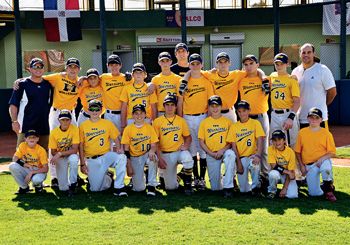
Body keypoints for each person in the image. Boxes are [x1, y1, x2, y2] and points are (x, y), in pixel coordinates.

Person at [179, 53, 215, 190]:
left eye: (197, 64)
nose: (195, 66)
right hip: (188, 117)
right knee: (192, 149)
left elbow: (211, 102)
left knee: (203, 149)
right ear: (189, 65)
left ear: (201, 65)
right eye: (192, 64)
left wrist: (210, 118)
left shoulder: (206, 81)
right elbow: (181, 101)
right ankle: (196, 179)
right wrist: (181, 118)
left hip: (203, 116)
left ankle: (202, 179)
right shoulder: (184, 81)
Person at [79, 99, 127, 195]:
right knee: (95, 189)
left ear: (101, 110)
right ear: (88, 110)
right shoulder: (83, 126)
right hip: (92, 159)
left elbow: (116, 138)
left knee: (122, 157)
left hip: (106, 156)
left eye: (97, 109)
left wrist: (119, 149)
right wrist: (82, 164)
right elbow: (80, 146)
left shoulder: (107, 123)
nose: (95, 112)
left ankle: (119, 187)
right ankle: (108, 176)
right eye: (92, 109)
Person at [153, 94, 193, 194]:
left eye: (172, 105)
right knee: (170, 188)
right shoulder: (157, 122)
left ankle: (188, 185)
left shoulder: (181, 120)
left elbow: (188, 137)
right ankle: (174, 177)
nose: (170, 107)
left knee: (188, 158)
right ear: (164, 106)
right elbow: (155, 142)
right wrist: (160, 158)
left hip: (178, 151)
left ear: (175, 106)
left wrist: (186, 146)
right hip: (164, 154)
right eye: (167, 105)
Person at [294, 107, 337, 202]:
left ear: (321, 120)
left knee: (326, 169)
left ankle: (329, 190)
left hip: (322, 161)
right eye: (311, 117)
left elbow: (332, 152)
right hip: (309, 165)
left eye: (317, 118)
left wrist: (321, 159)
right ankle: (323, 185)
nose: (314, 120)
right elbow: (297, 151)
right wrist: (301, 166)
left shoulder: (326, 133)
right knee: (314, 193)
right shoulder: (302, 133)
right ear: (308, 118)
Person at [9, 57, 52, 149]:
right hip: (26, 127)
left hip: (44, 127)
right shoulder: (21, 84)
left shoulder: (48, 85)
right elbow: (13, 105)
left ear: (44, 69)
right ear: (30, 69)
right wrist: (14, 121)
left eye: (40, 67)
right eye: (35, 67)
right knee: (22, 156)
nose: (38, 69)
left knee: (43, 156)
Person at [198, 95, 237, 197]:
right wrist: (211, 153)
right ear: (209, 107)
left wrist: (222, 150)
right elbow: (201, 142)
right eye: (212, 106)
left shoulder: (228, 122)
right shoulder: (204, 122)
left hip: (224, 152)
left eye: (217, 106)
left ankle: (228, 187)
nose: (215, 109)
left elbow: (230, 142)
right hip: (211, 154)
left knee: (230, 155)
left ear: (221, 106)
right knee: (215, 188)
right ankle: (224, 180)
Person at [291, 43, 337, 129]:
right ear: (300, 54)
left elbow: (332, 92)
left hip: (318, 118)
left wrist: (323, 104)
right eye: (303, 52)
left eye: (309, 52)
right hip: (300, 118)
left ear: (314, 54)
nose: (306, 55)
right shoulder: (295, 71)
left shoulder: (323, 69)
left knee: (321, 143)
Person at [238, 55, 269, 179]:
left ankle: (265, 175)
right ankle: (253, 176)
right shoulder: (241, 79)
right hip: (246, 118)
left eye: (251, 63)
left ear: (257, 65)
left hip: (261, 116)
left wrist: (263, 77)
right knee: (248, 147)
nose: (249, 66)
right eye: (246, 64)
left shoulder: (265, 79)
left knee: (264, 147)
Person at [227, 101, 265, 196]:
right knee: (244, 190)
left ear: (249, 111)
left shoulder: (255, 123)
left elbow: (260, 140)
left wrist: (258, 156)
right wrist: (238, 163)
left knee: (254, 165)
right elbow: (234, 146)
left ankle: (256, 187)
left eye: (244, 111)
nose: (241, 113)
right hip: (242, 158)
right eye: (239, 111)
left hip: (253, 156)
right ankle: (249, 186)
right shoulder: (234, 126)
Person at [121, 104, 159, 196]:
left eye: (141, 113)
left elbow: (154, 144)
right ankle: (143, 177)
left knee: (153, 158)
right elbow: (126, 150)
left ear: (145, 114)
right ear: (133, 115)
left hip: (146, 154)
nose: (139, 116)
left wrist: (152, 151)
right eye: (136, 113)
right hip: (134, 157)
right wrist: (128, 165)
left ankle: (151, 185)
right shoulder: (128, 129)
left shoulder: (149, 127)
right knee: (139, 188)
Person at [269, 53, 300, 147]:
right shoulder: (272, 76)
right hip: (274, 115)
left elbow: (297, 101)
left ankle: (294, 162)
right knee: (274, 143)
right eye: (277, 64)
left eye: (281, 64)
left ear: (287, 64)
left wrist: (291, 118)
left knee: (292, 143)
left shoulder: (291, 79)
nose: (279, 66)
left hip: (287, 113)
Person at [48, 110, 79, 196]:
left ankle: (73, 184)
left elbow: (75, 150)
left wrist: (60, 153)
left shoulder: (75, 129)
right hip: (61, 158)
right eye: (63, 120)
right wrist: (59, 154)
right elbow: (53, 152)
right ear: (59, 120)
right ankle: (66, 184)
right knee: (63, 188)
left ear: (70, 120)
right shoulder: (54, 132)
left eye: (67, 120)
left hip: (68, 155)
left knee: (74, 159)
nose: (65, 122)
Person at [99, 54, 132, 132]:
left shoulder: (126, 78)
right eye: (111, 65)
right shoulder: (103, 78)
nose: (114, 67)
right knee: (109, 140)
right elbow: (91, 80)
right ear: (107, 66)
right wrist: (83, 78)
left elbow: (139, 82)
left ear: (120, 65)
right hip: (108, 114)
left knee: (122, 139)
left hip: (123, 114)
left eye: (116, 64)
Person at [9, 130, 48, 194]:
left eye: (34, 137)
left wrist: (32, 172)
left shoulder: (41, 150)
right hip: (27, 168)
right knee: (12, 166)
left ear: (37, 139)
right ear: (25, 139)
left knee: (36, 180)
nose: (32, 139)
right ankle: (24, 188)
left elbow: (46, 169)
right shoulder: (22, 145)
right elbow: (15, 158)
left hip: (38, 170)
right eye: (29, 137)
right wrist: (27, 165)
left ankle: (38, 186)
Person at [120, 63, 157, 129]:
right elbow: (124, 106)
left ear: (145, 75)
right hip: (131, 119)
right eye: (136, 72)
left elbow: (153, 106)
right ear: (132, 75)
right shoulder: (127, 88)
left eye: (140, 72)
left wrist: (154, 121)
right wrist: (123, 124)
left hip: (146, 118)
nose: (138, 74)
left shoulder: (149, 88)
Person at [267, 130, 298, 199]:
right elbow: (274, 166)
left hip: (287, 175)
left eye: (279, 139)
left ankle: (284, 189)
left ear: (284, 140)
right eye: (274, 140)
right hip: (278, 172)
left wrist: (284, 188)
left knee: (292, 195)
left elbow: (291, 173)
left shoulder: (290, 152)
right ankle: (272, 191)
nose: (277, 142)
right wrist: (288, 172)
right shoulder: (270, 149)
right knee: (273, 174)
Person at [151, 52, 182, 116]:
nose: (165, 63)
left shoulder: (178, 78)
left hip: (174, 112)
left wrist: (180, 115)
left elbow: (180, 100)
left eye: (167, 61)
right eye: (162, 61)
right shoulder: (155, 79)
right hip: (161, 112)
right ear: (159, 63)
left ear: (171, 62)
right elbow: (153, 101)